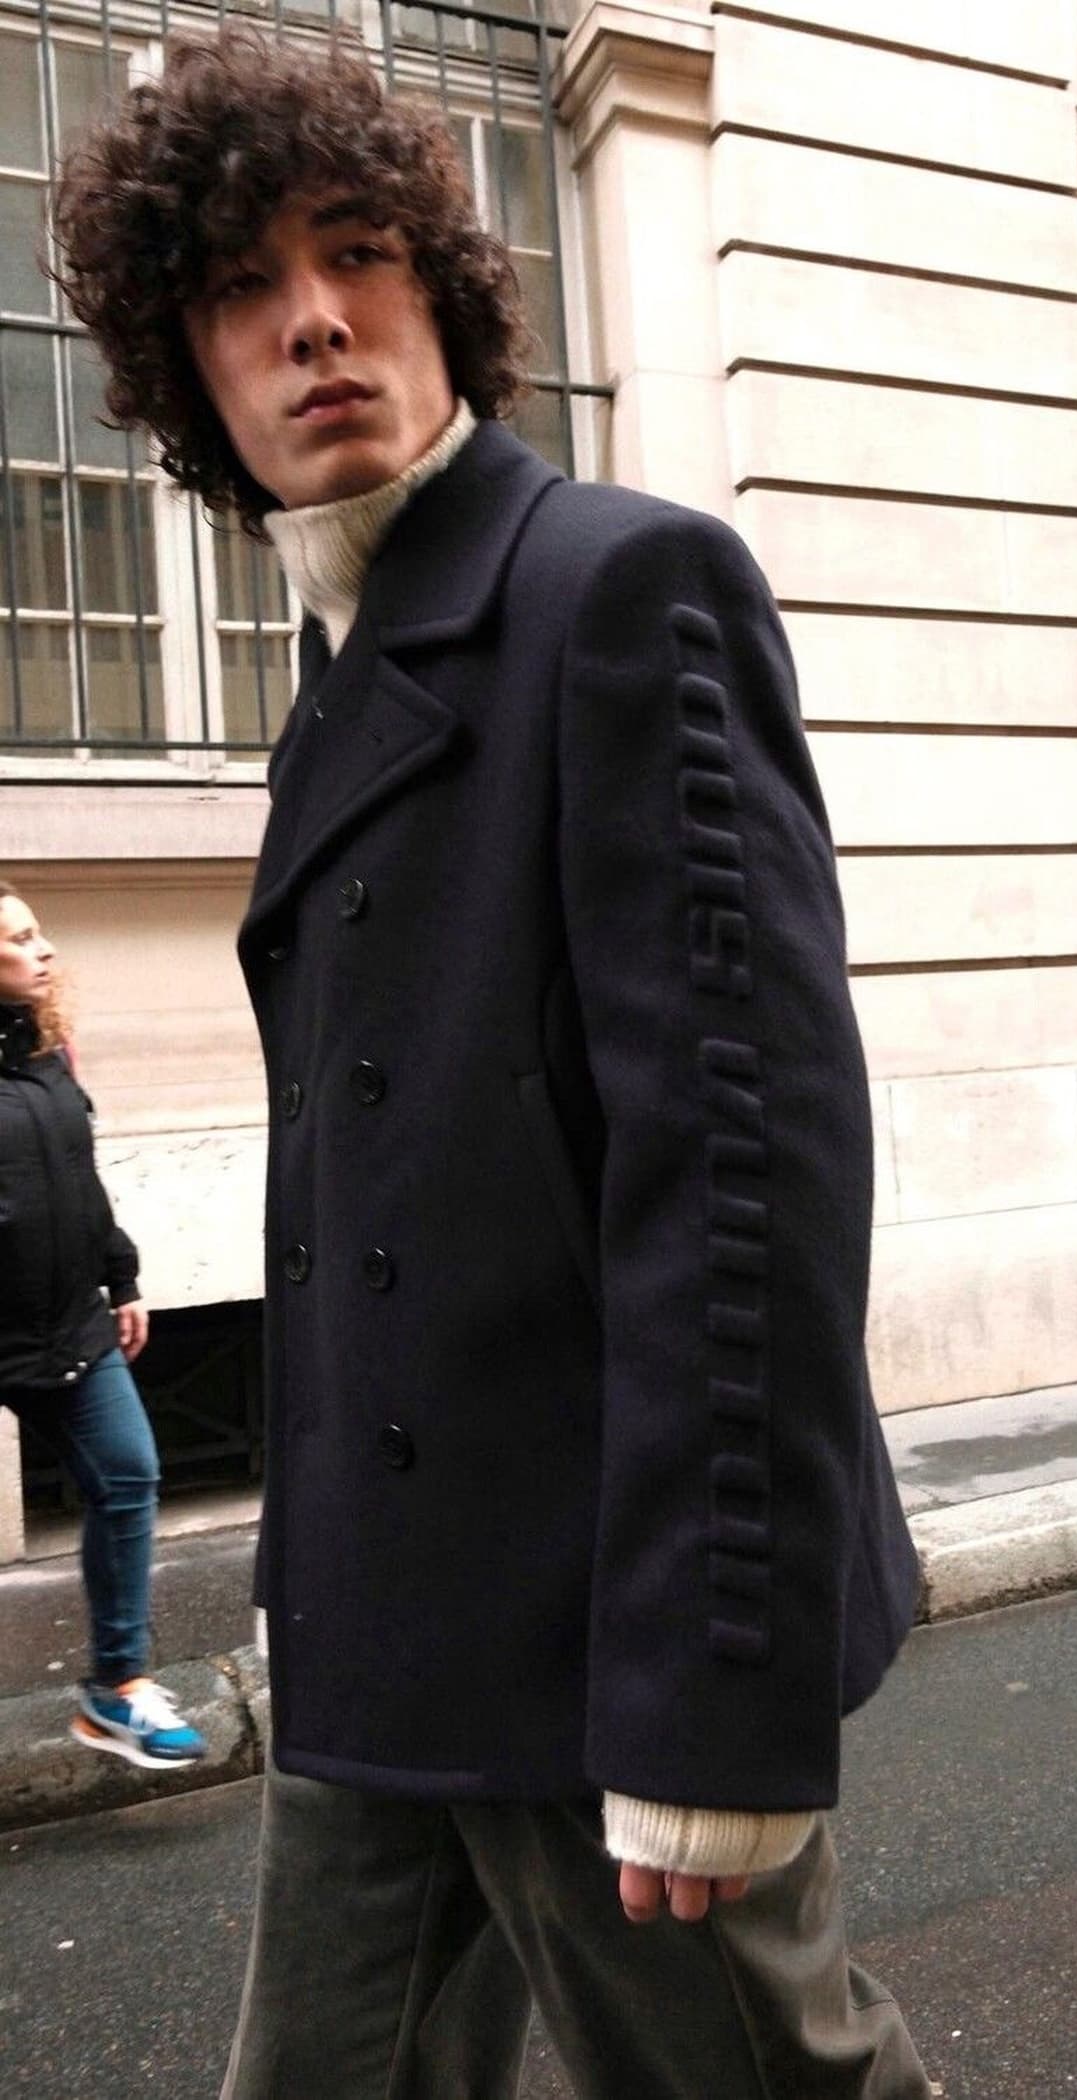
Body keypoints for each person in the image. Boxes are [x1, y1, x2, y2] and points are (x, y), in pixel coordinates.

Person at [52, 29, 929, 2097]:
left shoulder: (616, 584)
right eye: (244, 289)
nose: (314, 319)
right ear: (190, 375)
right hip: (388, 1623)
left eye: (357, 256)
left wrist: (709, 1696)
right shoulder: (337, 674)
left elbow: (743, 1170)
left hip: (596, 1624)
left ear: (446, 295)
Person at [0, 881, 207, 1771]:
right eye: (18, 938)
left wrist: (121, 1277)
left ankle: (115, 1691)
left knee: (128, 1475)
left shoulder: (48, 1045)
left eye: (38, 932)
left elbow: (80, 1176)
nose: (43, 949)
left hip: (70, 1324)